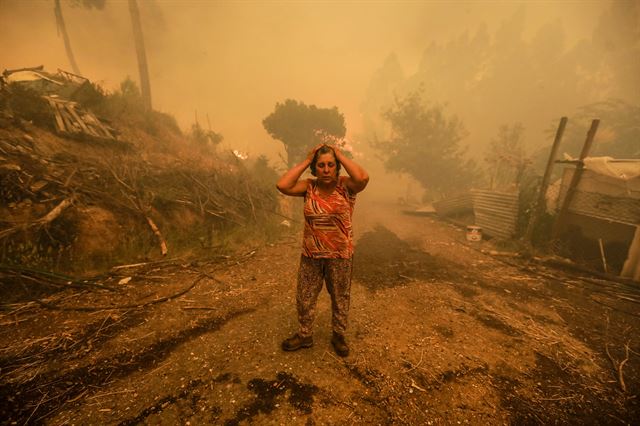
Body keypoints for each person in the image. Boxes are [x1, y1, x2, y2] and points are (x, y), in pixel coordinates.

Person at [276, 143, 369, 357]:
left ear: (337, 167)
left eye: (330, 165)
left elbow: (363, 178)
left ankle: (338, 335)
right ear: (315, 169)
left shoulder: (347, 186)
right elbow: (282, 185)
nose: (326, 170)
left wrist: (340, 155)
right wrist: (307, 160)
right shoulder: (309, 187)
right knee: (305, 296)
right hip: (311, 255)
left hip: (340, 255)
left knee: (340, 296)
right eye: (320, 165)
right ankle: (305, 335)